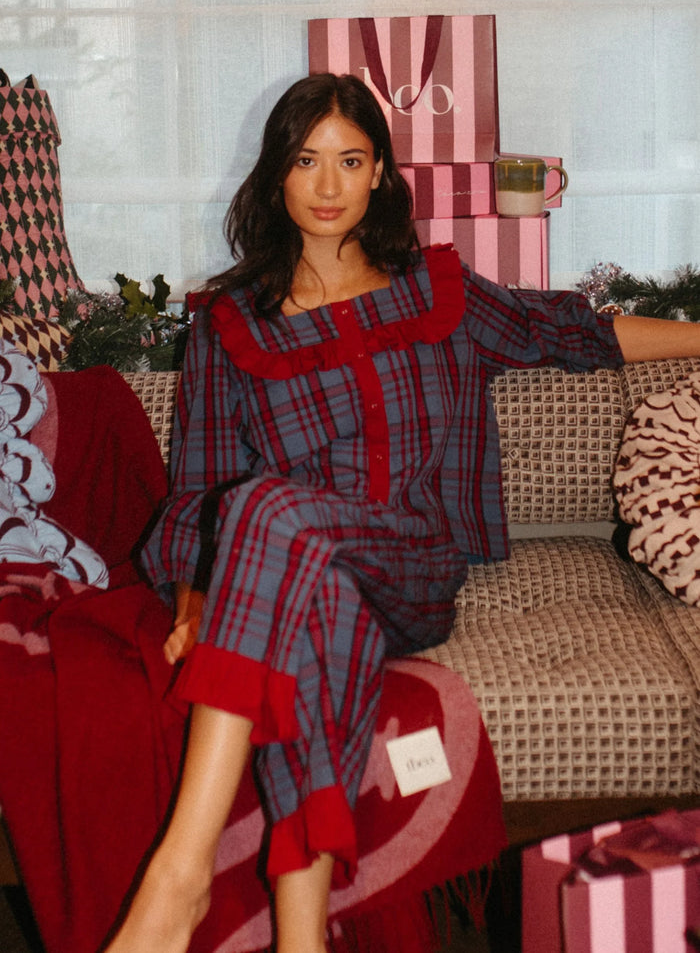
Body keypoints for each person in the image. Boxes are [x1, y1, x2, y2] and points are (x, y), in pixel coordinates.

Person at [103, 72, 700, 953]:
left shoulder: (439, 294)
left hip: (415, 566)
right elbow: (198, 492)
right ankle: (304, 939)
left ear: (381, 171)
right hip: (296, 585)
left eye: (351, 160)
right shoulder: (232, 327)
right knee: (314, 614)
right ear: (277, 176)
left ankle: (177, 877)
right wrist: (199, 599)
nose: (330, 184)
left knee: (269, 507)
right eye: (307, 162)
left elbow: (577, 332)